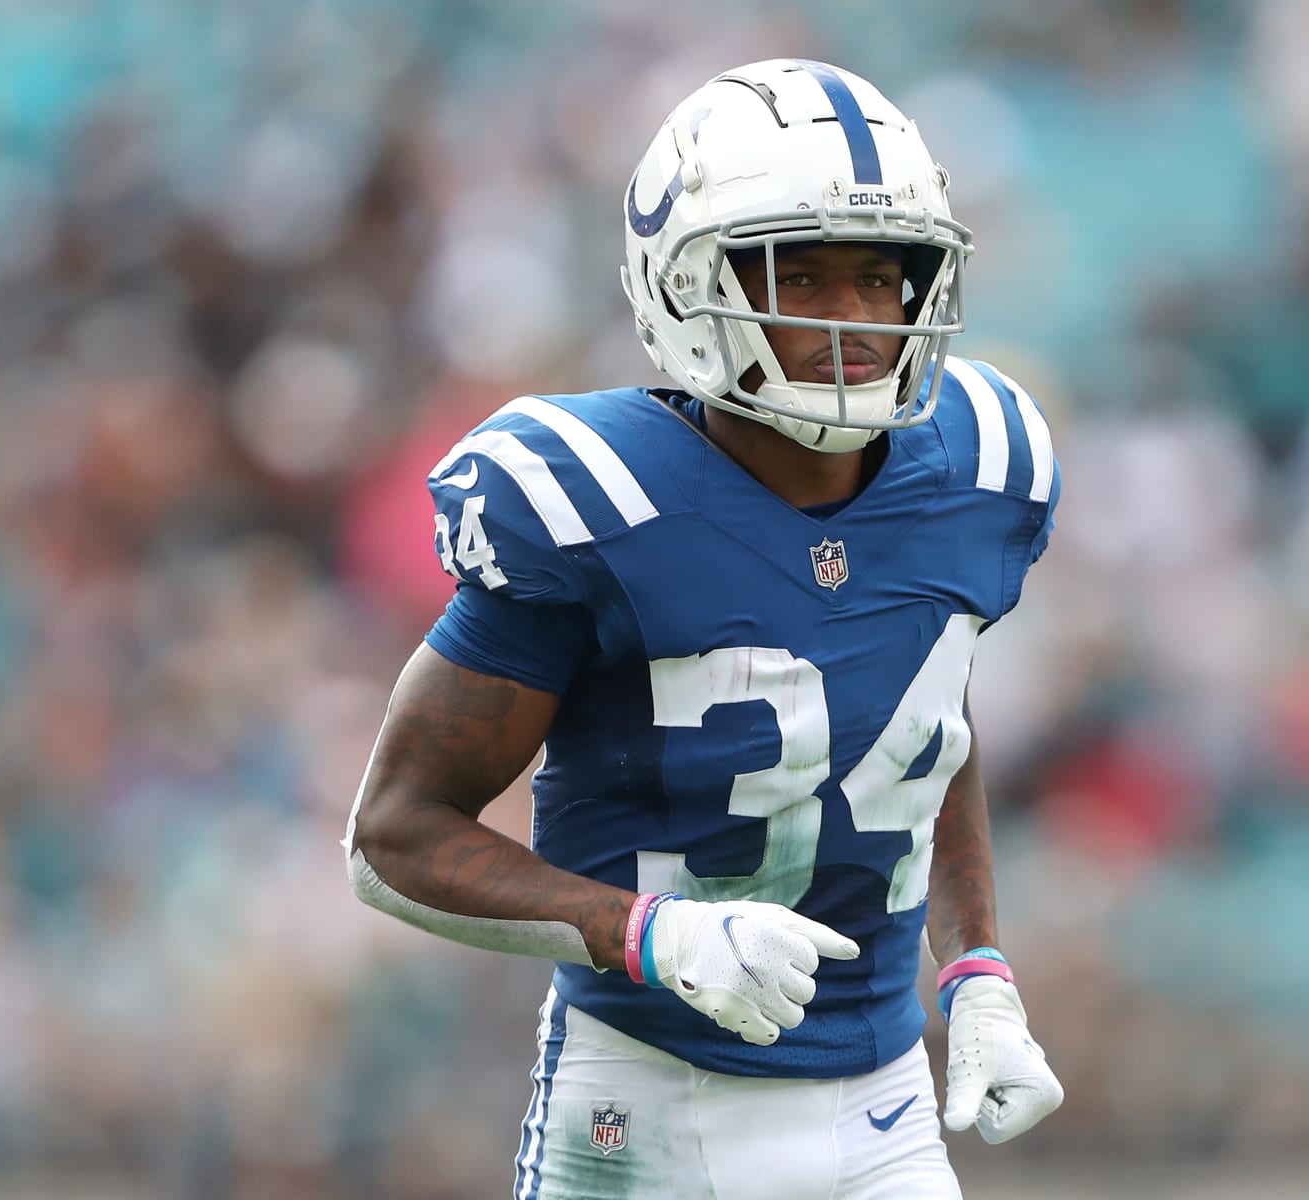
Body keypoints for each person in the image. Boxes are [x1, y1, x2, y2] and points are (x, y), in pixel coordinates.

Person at [344, 58, 1064, 1199]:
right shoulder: (599, 500)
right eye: (802, 276)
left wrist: (975, 971)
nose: (855, 321)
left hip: (885, 1114)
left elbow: (924, 728)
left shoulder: (979, 467)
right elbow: (393, 837)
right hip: (646, 1113)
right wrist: (646, 933)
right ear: (685, 284)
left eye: (882, 276)